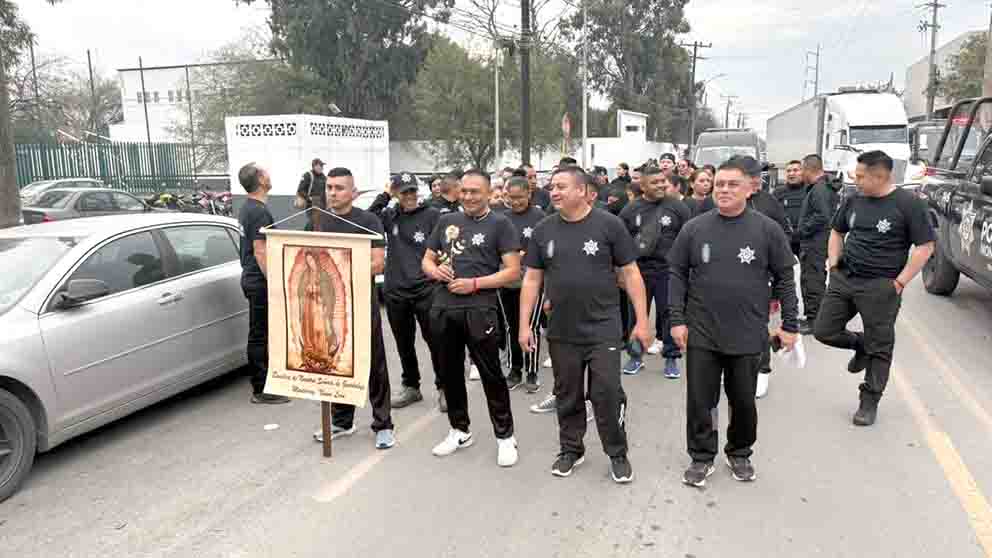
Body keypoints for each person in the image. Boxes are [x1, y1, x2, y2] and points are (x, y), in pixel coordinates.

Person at [668, 157, 799, 488]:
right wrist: (677, 320)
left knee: (743, 401)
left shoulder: (767, 230)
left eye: (732, 184)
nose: (724, 190)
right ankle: (701, 456)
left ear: (749, 188)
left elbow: (785, 278)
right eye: (719, 184)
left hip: (748, 331)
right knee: (701, 400)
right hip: (702, 329)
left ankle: (739, 452)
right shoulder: (694, 228)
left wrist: (790, 325)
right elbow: (677, 273)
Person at [520, 166, 652, 483]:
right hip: (562, 328)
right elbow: (532, 279)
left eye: (562, 186)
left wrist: (642, 321)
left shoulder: (609, 225)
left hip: (603, 325)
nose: (554, 192)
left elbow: (631, 273)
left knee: (605, 392)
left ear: (582, 191)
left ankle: (617, 453)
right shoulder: (543, 230)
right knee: (567, 393)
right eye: (552, 186)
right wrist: (524, 325)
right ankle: (571, 449)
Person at [814, 151, 935, 427]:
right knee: (824, 331)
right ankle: (860, 344)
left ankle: (869, 401)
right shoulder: (853, 200)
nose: (855, 180)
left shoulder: (908, 204)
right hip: (845, 279)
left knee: (880, 346)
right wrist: (833, 265)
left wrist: (900, 282)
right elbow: (837, 231)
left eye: (860, 177)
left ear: (880, 177)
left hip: (881, 286)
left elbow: (926, 246)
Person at [422, 169, 523, 467]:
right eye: (464, 191)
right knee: (450, 373)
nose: (468, 196)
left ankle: (505, 437)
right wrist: (435, 271)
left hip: (480, 309)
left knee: (491, 375)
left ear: (489, 193)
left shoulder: (500, 224)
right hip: (443, 307)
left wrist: (475, 284)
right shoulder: (446, 221)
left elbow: (512, 271)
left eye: (475, 191)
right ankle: (459, 430)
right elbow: (427, 259)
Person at [312, 167, 395, 449]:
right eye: (329, 188)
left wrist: (338, 269)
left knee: (373, 364)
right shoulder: (316, 220)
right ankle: (342, 421)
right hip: (327, 306)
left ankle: (383, 424)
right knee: (336, 363)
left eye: (339, 188)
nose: (333, 193)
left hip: (360, 303)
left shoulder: (368, 221)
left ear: (353, 192)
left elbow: (377, 263)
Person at [368, 173, 446, 412]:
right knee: (404, 343)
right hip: (396, 291)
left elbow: (445, 247)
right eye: (404, 192)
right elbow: (369, 218)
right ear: (396, 194)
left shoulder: (433, 215)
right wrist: (385, 194)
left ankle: (444, 387)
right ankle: (411, 386)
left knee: (436, 341)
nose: (409, 195)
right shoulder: (389, 215)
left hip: (426, 289)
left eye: (412, 190)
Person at [618, 167, 691, 378]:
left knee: (669, 313)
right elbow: (621, 240)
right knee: (636, 314)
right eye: (654, 182)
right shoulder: (631, 210)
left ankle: (671, 357)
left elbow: (689, 238)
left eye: (662, 181)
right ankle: (635, 356)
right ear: (642, 186)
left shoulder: (678, 207)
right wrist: (621, 271)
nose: (660, 185)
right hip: (639, 270)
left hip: (669, 270)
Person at [236, 163, 292, 405]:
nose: (270, 174)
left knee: (264, 332)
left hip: (252, 278)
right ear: (260, 179)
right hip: (259, 281)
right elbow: (261, 251)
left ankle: (270, 380)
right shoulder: (258, 211)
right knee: (260, 334)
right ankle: (262, 388)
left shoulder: (249, 208)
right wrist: (275, 281)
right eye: (265, 172)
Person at [500, 177, 549, 393]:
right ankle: (514, 369)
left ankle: (531, 371)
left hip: (533, 281)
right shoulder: (502, 219)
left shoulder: (541, 218)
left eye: (520, 197)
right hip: (507, 282)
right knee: (510, 326)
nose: (516, 202)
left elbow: (547, 249)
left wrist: (526, 255)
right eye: (511, 198)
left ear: (529, 194)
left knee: (531, 327)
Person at [797, 154, 841, 335]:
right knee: (813, 279)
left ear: (809, 170)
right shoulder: (821, 187)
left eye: (802, 170)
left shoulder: (819, 190)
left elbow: (822, 217)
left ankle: (814, 321)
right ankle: (814, 318)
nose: (801, 174)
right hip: (817, 242)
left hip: (815, 243)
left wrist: (802, 231)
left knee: (812, 281)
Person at [772, 160, 808, 257]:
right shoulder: (778, 192)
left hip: (805, 240)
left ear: (803, 172)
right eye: (788, 171)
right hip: (784, 240)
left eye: (795, 170)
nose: (791, 174)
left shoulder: (810, 191)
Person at [297, 158, 327, 230]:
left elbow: (324, 191)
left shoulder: (323, 177)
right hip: (311, 204)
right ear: (314, 166)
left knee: (320, 223)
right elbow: (300, 190)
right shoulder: (307, 175)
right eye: (320, 166)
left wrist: (325, 205)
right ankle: (306, 233)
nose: (322, 168)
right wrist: (309, 198)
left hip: (322, 204)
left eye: (322, 166)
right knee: (313, 221)